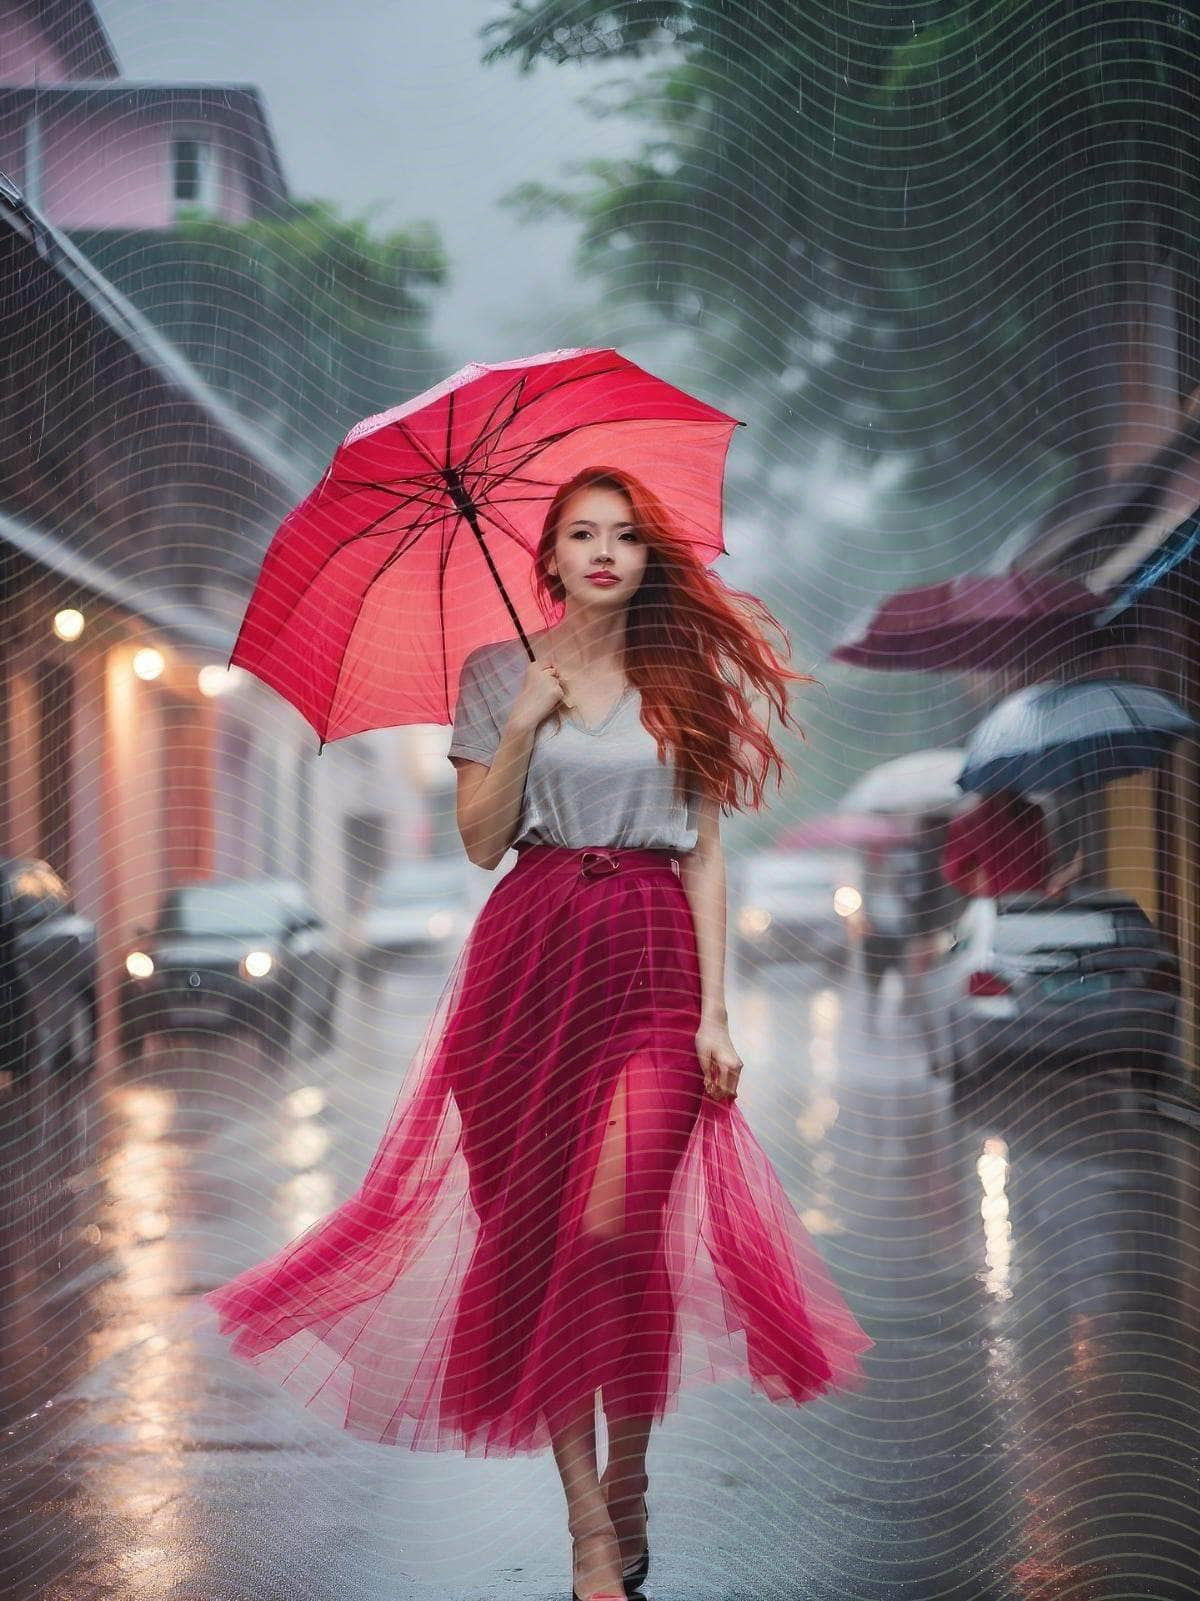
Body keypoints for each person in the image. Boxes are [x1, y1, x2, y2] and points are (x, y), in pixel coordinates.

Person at [200, 466, 874, 1601]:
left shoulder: (683, 674)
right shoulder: (496, 672)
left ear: (649, 559)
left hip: (654, 958)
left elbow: (706, 851)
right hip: (526, 966)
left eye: (624, 535)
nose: (604, 551)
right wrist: (520, 722)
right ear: (549, 558)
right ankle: (586, 1522)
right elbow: (477, 839)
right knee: (542, 1240)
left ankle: (635, 1476)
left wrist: (717, 1009)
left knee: (615, 1224)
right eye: (581, 535)